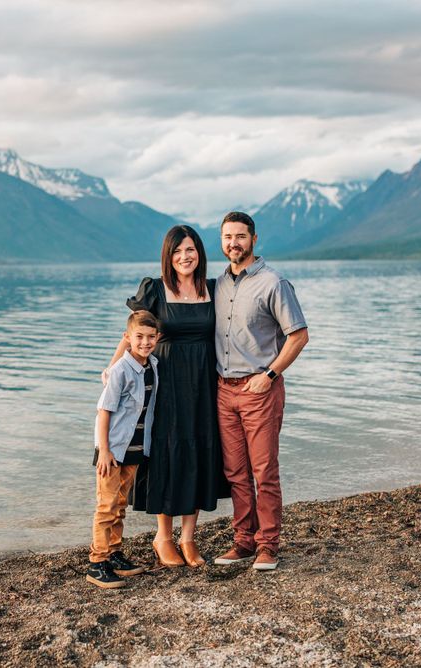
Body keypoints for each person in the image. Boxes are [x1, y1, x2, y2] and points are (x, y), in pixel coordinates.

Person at [105, 225, 227, 569]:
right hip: (164, 383)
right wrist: (113, 368)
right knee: (166, 451)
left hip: (203, 384)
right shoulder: (155, 289)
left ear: (199, 253)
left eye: (190, 250)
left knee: (200, 450)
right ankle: (164, 537)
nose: (184, 257)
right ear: (168, 256)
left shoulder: (214, 289)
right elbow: (132, 331)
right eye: (177, 251)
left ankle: (189, 539)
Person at [212, 211, 308, 572]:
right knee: (235, 472)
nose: (233, 243)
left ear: (254, 239)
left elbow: (298, 336)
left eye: (239, 236)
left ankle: (268, 545)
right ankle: (243, 541)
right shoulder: (217, 286)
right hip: (224, 391)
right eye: (226, 237)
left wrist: (270, 374)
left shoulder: (274, 283)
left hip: (259, 389)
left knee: (264, 470)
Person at [87, 310, 160, 589]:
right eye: (139, 337)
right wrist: (103, 450)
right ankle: (97, 562)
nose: (145, 342)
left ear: (158, 338)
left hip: (136, 448)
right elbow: (103, 411)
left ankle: (114, 553)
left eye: (150, 337)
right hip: (113, 450)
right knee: (106, 506)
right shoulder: (120, 371)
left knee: (119, 504)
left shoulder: (153, 365)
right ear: (127, 338)